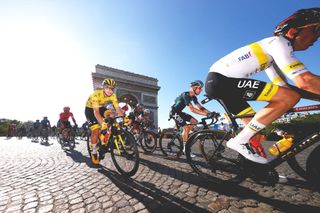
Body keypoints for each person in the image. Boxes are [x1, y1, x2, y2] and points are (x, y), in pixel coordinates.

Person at [205, 8, 320, 164]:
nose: (317, 37)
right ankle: (238, 141)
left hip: (222, 84)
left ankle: (260, 170)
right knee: (291, 98)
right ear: (293, 31)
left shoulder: (271, 56)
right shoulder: (279, 43)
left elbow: (285, 88)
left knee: (256, 132)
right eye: (316, 29)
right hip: (222, 81)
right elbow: (304, 81)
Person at [85, 78, 123, 165]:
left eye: (112, 88)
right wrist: (102, 123)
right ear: (103, 87)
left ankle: (105, 137)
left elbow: (118, 109)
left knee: (112, 116)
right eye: (108, 88)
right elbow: (96, 112)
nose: (110, 90)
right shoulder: (96, 94)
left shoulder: (113, 95)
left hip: (101, 107)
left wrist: (122, 119)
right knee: (96, 130)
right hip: (90, 110)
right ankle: (94, 152)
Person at [170, 80, 215, 154]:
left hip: (179, 113)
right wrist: (206, 115)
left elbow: (200, 108)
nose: (201, 90)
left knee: (195, 121)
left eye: (201, 88)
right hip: (174, 113)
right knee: (186, 127)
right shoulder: (185, 95)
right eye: (200, 88)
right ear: (194, 88)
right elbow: (192, 109)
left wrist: (211, 113)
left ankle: (185, 135)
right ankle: (186, 148)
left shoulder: (194, 97)